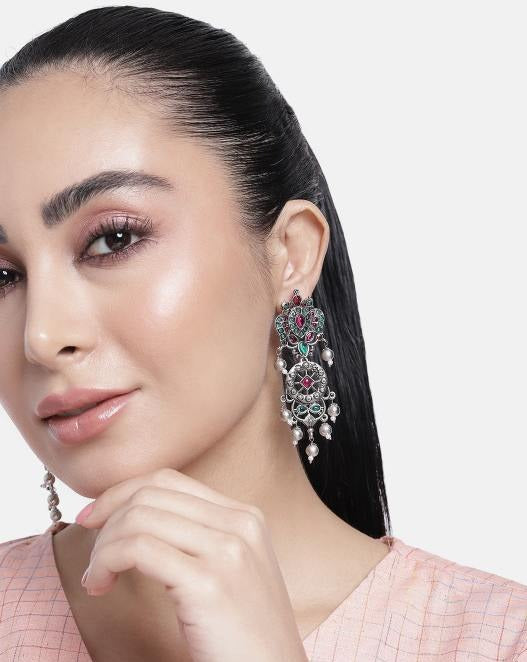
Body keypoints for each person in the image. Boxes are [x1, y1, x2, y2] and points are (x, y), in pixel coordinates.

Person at [0, 6, 525, 662]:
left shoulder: (498, 640)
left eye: (114, 239)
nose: (41, 336)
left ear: (290, 256)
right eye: (3, 276)